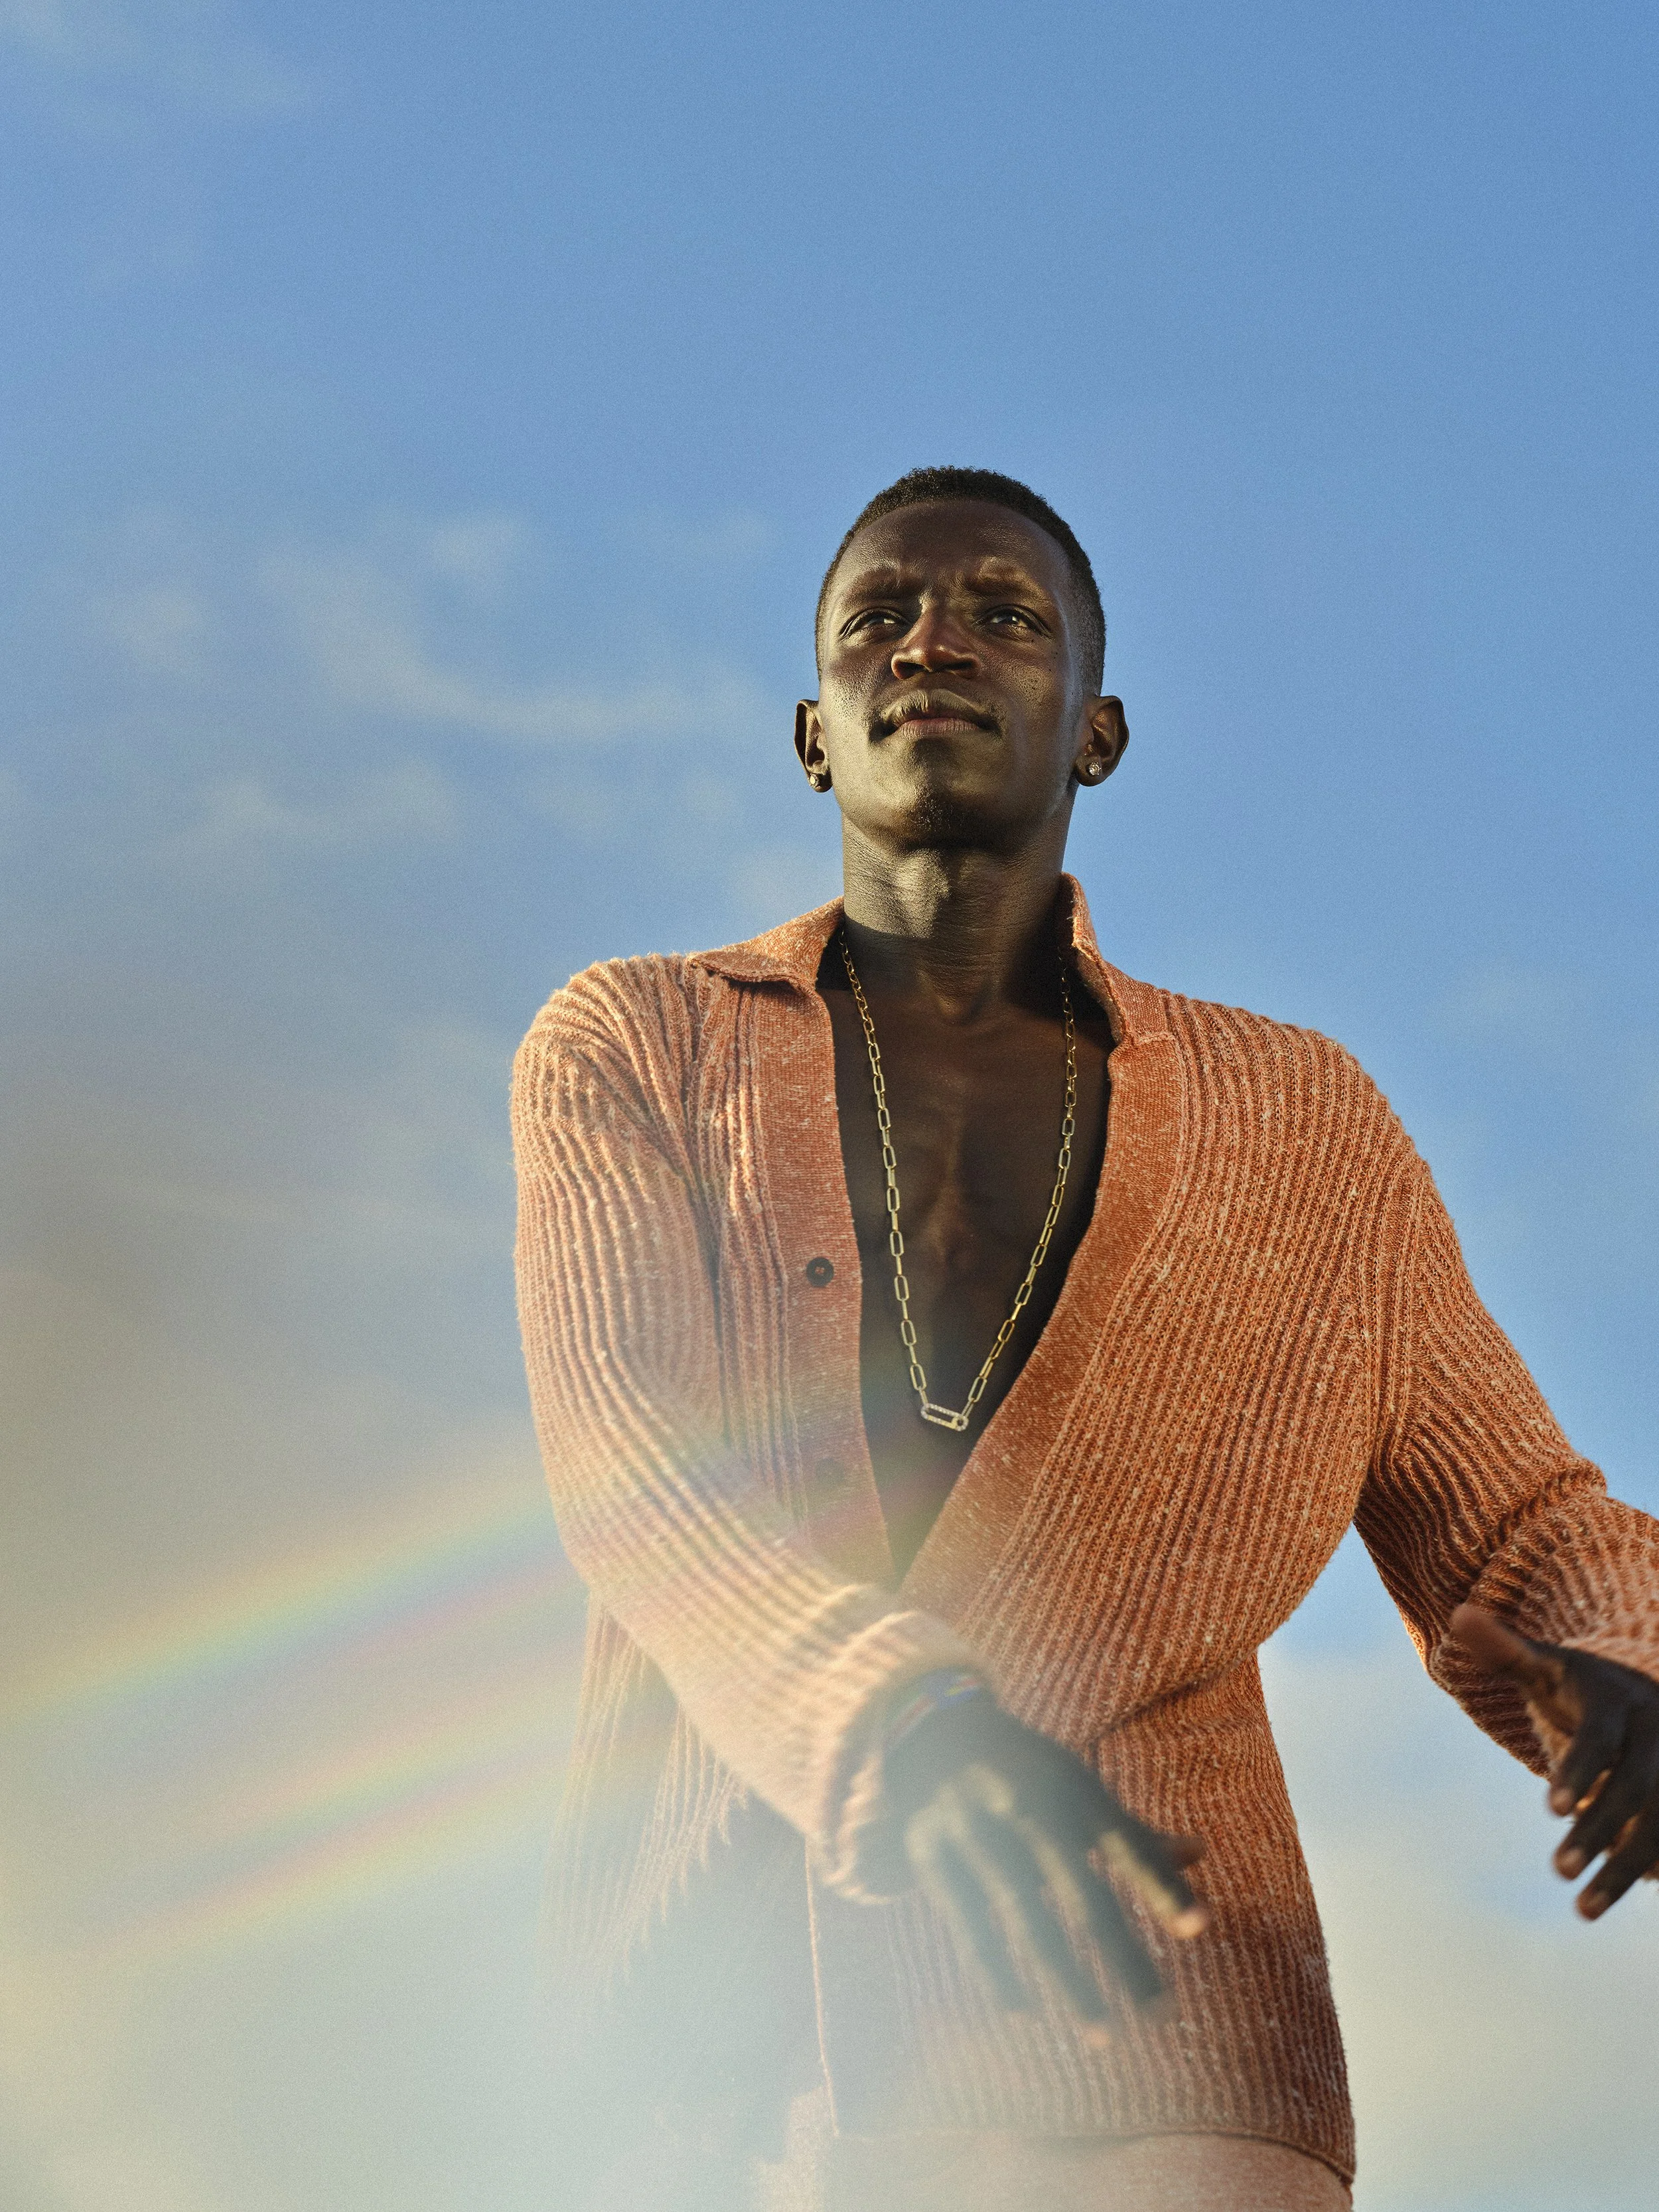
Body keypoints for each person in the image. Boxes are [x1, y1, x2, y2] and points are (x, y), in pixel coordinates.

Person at [511, 467, 1659, 2211]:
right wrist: (885, 1719)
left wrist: (1627, 1654)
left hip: (1165, 2067)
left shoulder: (1303, 1131)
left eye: (1003, 614)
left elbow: (1515, 1519)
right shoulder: (638, 1044)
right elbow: (638, 1469)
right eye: (876, 619)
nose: (932, 642)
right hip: (725, 2059)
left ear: (1099, 734)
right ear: (812, 734)